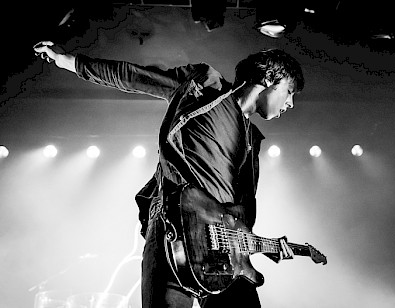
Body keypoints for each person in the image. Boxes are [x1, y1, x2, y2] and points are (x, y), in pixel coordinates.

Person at [33, 40, 305, 308]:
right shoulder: (203, 85)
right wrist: (68, 61)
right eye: (289, 91)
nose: (290, 103)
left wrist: (261, 245)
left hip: (224, 251)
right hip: (173, 230)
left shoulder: (251, 140)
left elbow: (238, 214)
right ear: (270, 78)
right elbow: (136, 76)